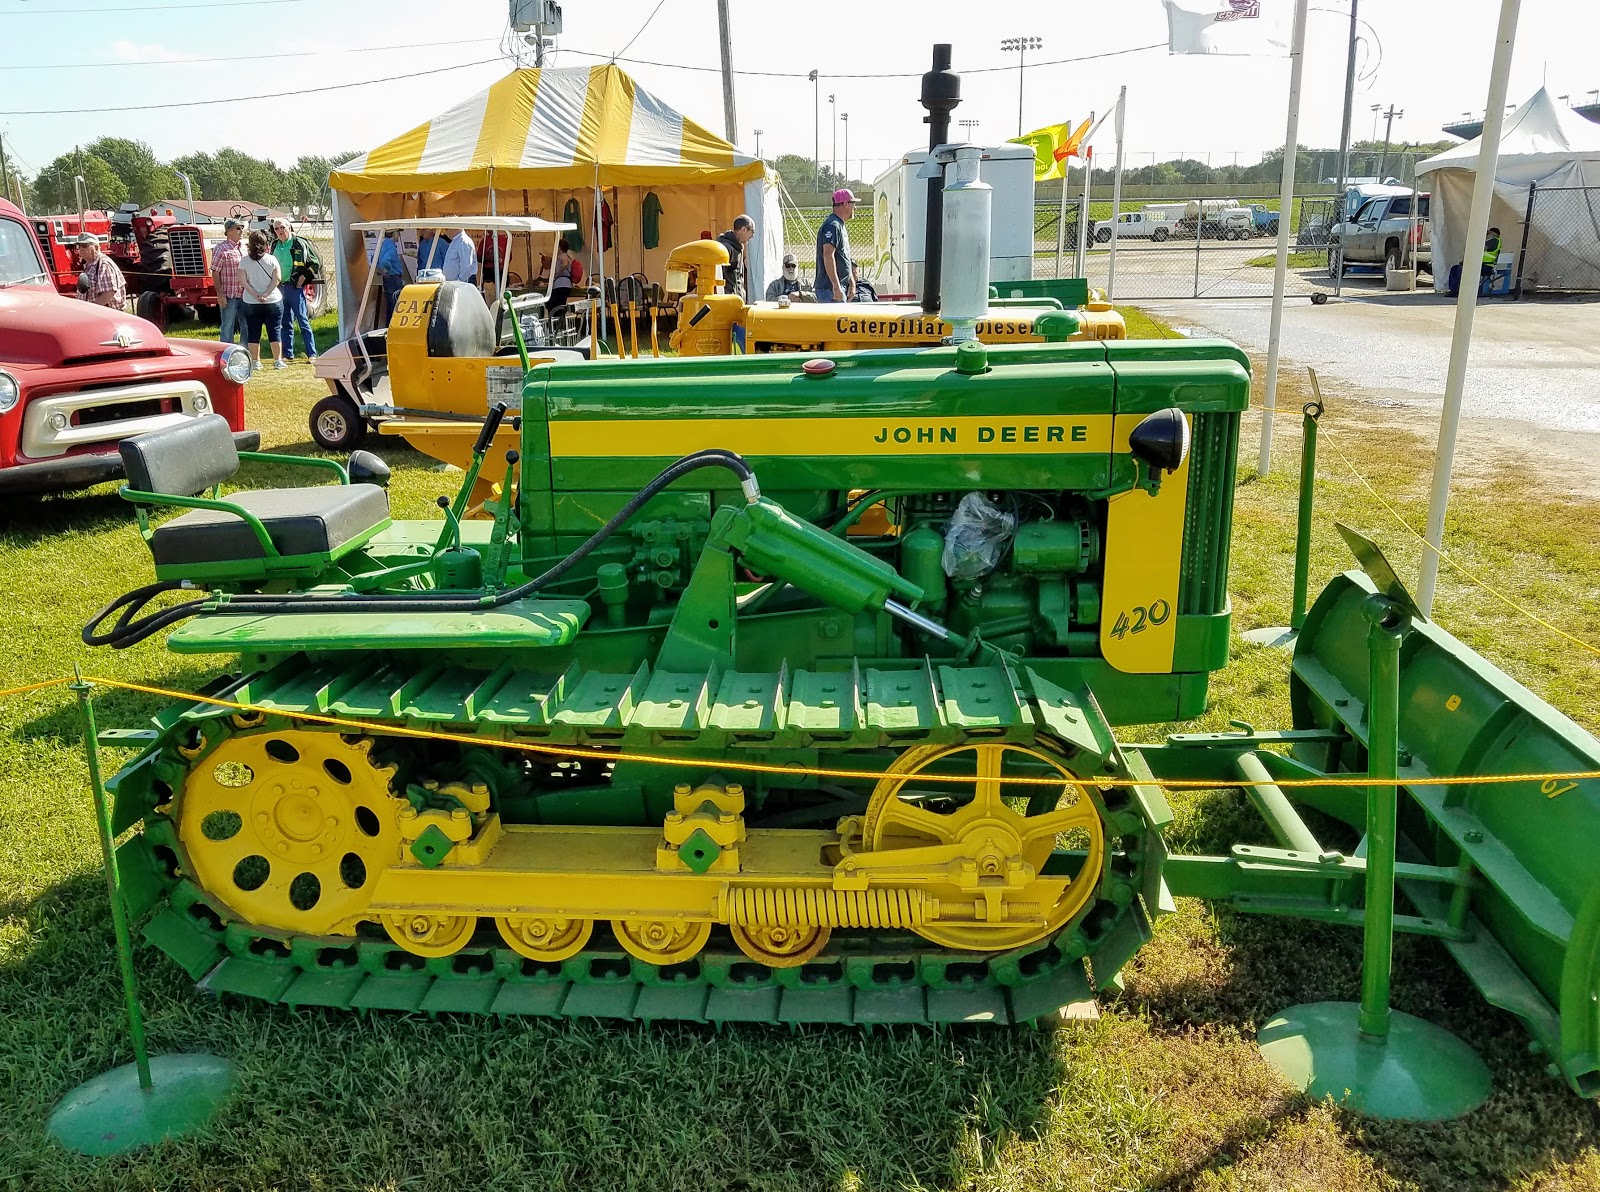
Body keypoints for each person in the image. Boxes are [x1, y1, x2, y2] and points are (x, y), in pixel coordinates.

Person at [270, 218, 321, 363]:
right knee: (285, 322)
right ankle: (288, 354)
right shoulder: (274, 245)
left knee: (303, 321)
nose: (280, 231)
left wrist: (303, 278)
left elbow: (315, 263)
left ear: (289, 227)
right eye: (277, 229)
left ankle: (312, 353)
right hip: (280, 288)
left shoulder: (300, 243)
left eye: (282, 227)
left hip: (295, 288)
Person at [241, 229, 285, 372]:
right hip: (273, 299)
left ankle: (255, 362)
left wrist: (255, 295)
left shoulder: (244, 261)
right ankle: (278, 360)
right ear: (265, 243)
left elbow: (242, 281)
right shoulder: (272, 259)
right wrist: (266, 293)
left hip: (251, 301)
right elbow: (277, 278)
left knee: (253, 332)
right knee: (275, 330)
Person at [815, 188, 857, 303]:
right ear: (845, 204)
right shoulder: (832, 225)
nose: (855, 208)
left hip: (838, 288)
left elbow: (844, 257)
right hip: (829, 290)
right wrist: (836, 286)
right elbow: (828, 255)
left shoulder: (839, 225)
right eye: (853, 204)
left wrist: (851, 282)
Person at [212, 218, 246, 344]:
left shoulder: (244, 248)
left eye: (242, 227)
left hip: (244, 294)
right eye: (238, 228)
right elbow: (215, 272)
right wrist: (220, 294)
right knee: (227, 326)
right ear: (229, 231)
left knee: (246, 325)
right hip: (228, 295)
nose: (241, 230)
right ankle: (226, 353)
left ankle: (245, 352)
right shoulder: (221, 249)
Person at [73, 232, 126, 310]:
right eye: (79, 246)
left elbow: (109, 293)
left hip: (107, 315)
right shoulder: (90, 264)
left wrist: (91, 309)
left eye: (85, 246)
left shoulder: (103, 265)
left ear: (96, 248)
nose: (81, 249)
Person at [716, 214, 755, 300]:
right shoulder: (725, 248)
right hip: (727, 301)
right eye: (752, 232)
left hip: (737, 299)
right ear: (744, 229)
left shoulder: (739, 247)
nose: (752, 236)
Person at [376, 229, 407, 320]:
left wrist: (380, 270)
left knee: (390, 305)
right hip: (393, 279)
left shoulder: (382, 245)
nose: (399, 235)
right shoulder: (391, 247)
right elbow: (386, 261)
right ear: (393, 233)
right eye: (398, 233)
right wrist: (387, 270)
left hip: (387, 279)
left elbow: (374, 259)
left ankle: (388, 327)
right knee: (396, 305)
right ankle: (396, 327)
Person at [548, 238, 583, 316]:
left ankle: (556, 324)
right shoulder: (568, 256)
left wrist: (557, 274)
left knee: (554, 306)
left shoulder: (562, 257)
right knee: (560, 305)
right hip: (566, 284)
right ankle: (560, 322)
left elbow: (565, 264)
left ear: (559, 247)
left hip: (560, 284)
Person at [1482, 226, 1502, 292]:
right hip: (1489, 265)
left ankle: (1456, 289)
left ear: (1493, 233)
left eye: (1488, 233)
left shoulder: (1493, 241)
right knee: (1456, 268)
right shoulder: (1498, 241)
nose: (1487, 234)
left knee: (1458, 270)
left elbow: (1481, 248)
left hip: (1485, 265)